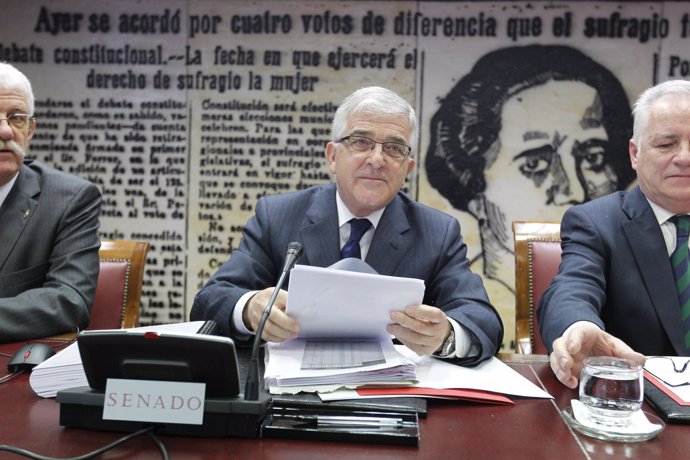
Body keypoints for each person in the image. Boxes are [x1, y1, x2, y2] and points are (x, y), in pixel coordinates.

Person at [192, 86, 503, 365]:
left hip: (388, 398)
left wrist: (445, 336)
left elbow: (482, 320)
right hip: (290, 397)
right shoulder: (278, 216)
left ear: (407, 168)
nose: (377, 159)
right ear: (332, 156)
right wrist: (249, 309)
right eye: (361, 142)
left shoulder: (437, 232)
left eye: (394, 148)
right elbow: (212, 300)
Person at [425, 45, 636, 348]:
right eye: (535, 164)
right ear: (473, 189)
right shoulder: (453, 305)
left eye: (592, 157)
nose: (574, 191)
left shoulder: (640, 302)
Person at [538, 79, 690, 388]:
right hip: (632, 401)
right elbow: (572, 289)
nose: (685, 157)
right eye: (666, 144)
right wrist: (578, 325)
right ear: (635, 154)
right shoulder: (597, 222)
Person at [0, 62, 102, 342]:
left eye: (16, 118)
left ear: (30, 129)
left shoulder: (69, 199)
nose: (7, 132)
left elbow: (70, 300)